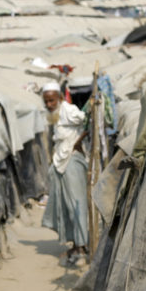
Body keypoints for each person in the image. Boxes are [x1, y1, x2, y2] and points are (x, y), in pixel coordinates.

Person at [40, 83, 91, 265]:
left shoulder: (69, 110)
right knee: (66, 206)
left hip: (71, 161)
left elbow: (89, 120)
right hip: (61, 162)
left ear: (60, 98)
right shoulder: (54, 115)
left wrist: (79, 141)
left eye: (52, 100)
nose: (49, 104)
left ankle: (83, 246)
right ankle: (76, 244)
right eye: (46, 101)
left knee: (77, 204)